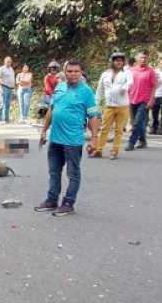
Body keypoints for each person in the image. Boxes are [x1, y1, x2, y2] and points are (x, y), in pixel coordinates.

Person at [35, 60, 101, 216]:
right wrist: (44, 131)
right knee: (54, 171)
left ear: (81, 73)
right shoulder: (59, 87)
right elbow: (51, 110)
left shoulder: (87, 92)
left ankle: (68, 203)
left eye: (76, 71)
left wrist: (94, 138)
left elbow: (93, 116)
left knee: (73, 174)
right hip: (55, 139)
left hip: (73, 141)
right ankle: (52, 200)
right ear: (64, 73)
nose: (72, 74)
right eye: (69, 71)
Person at [93, 52, 132, 160]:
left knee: (118, 130)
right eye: (116, 60)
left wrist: (125, 88)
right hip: (109, 106)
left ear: (123, 62)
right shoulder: (105, 74)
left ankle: (114, 151)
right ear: (112, 62)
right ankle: (98, 150)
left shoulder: (127, 73)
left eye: (121, 60)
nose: (118, 62)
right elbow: (100, 90)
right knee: (104, 128)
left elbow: (130, 83)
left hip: (122, 106)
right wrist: (96, 103)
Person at [125, 51, 157, 151]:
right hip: (132, 99)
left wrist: (151, 100)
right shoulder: (131, 71)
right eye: (141, 57)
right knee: (137, 122)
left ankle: (131, 142)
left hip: (144, 100)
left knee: (137, 122)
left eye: (145, 58)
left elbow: (153, 86)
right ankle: (143, 141)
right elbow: (127, 85)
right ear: (137, 59)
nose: (143, 59)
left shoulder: (150, 71)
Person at [0, 56, 15, 124]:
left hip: (10, 88)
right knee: (2, 103)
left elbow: (12, 79)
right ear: (5, 61)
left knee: (8, 104)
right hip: (4, 87)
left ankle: (6, 119)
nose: (9, 63)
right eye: (8, 61)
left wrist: (13, 88)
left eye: (10, 62)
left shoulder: (11, 69)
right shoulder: (1, 69)